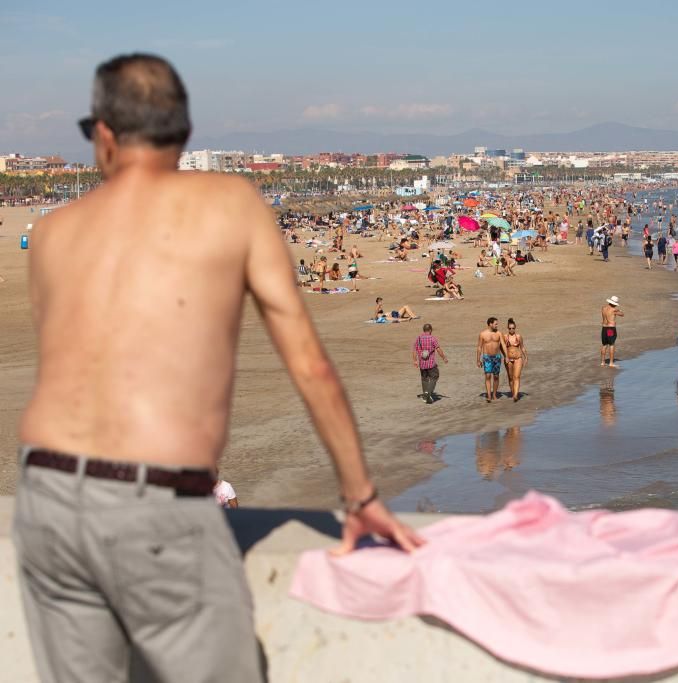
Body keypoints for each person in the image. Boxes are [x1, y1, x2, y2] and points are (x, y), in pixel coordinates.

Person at [13, 54, 422, 683]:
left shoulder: (53, 232)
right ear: (185, 133)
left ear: (103, 133)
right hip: (154, 498)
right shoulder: (230, 203)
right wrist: (360, 495)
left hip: (44, 494)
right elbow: (310, 365)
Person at [413, 322, 447, 403]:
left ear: (423, 330)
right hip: (431, 363)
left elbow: (414, 350)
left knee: (424, 378)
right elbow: (438, 349)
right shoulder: (432, 338)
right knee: (435, 376)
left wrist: (415, 360)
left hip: (422, 363)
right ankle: (429, 392)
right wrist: (444, 358)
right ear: (430, 330)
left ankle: (425, 395)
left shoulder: (419, 338)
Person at [477, 317, 503, 402]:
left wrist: (506, 356)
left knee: (496, 376)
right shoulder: (483, 334)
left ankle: (494, 394)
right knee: (488, 375)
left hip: (497, 357)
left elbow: (502, 345)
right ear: (490, 324)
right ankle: (488, 395)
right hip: (487, 357)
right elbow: (479, 347)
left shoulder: (499, 333)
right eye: (495, 324)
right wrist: (478, 359)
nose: (497, 325)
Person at [501, 318, 528, 402]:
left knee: (517, 377)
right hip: (508, 359)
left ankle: (516, 395)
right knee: (510, 377)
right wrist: (505, 356)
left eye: (513, 328)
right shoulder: (505, 337)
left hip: (518, 358)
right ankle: (513, 392)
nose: (511, 330)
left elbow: (522, 347)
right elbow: (501, 347)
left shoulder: (518, 336)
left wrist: (526, 357)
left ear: (515, 328)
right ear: (507, 328)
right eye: (510, 328)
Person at [601, 296, 624, 368]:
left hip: (604, 328)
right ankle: (611, 363)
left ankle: (602, 362)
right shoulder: (614, 310)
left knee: (604, 345)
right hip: (610, 329)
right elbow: (622, 314)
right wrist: (619, 310)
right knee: (611, 344)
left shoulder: (603, 308)